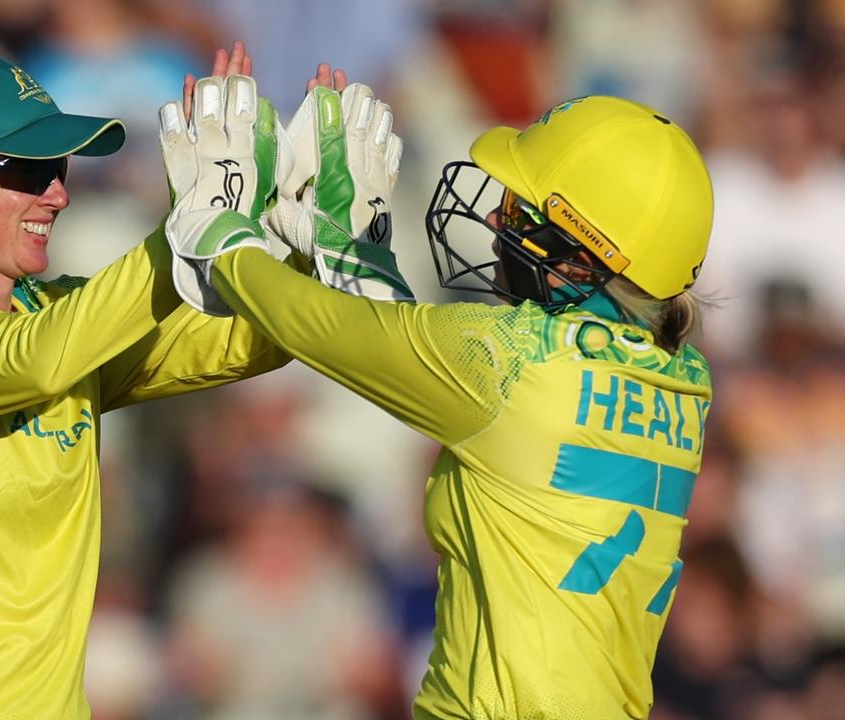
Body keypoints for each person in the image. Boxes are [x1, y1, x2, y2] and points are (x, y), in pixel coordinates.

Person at [175, 66, 716, 719]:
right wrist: (354, 256)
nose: (495, 215)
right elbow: (423, 358)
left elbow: (314, 326)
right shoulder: (688, 382)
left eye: (522, 211)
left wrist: (220, 225)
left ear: (580, 260)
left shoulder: (511, 358)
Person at [0, 44, 299, 719]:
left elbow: (250, 340)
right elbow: (34, 360)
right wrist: (192, 220)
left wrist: (309, 240)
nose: (59, 192)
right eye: (29, 169)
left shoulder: (58, 316)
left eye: (59, 166)